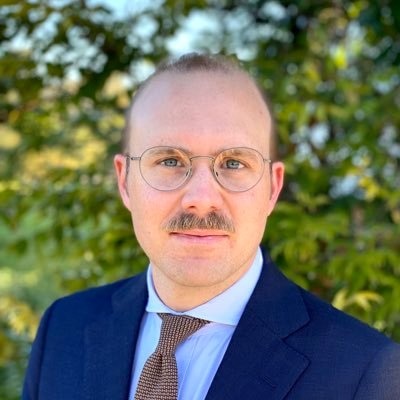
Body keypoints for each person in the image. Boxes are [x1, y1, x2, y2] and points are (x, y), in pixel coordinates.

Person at [23, 53, 400, 400]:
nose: (201, 198)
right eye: (169, 161)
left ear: (272, 187)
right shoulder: (64, 328)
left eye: (234, 163)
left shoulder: (366, 372)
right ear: (124, 181)